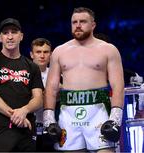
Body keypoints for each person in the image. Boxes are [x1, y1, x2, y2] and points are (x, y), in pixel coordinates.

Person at [43, 7, 124, 152]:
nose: (78, 25)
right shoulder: (59, 51)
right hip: (68, 113)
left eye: (82, 21)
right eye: (74, 22)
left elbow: (118, 86)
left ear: (93, 25)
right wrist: (49, 120)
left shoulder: (108, 49)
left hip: (99, 111)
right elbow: (51, 87)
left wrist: (115, 119)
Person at [0, 18, 44, 152]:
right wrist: (15, 115)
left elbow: (38, 98)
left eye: (14, 32)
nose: (10, 37)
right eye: (5, 33)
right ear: (0, 38)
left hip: (27, 131)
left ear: (21, 36)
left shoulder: (32, 67)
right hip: (1, 129)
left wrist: (24, 110)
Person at [30, 37, 53, 151]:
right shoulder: (23, 75)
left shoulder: (58, 76)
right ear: (31, 54)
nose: (42, 55)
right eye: (38, 52)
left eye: (46, 52)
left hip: (51, 128)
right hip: (29, 127)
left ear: (51, 54)